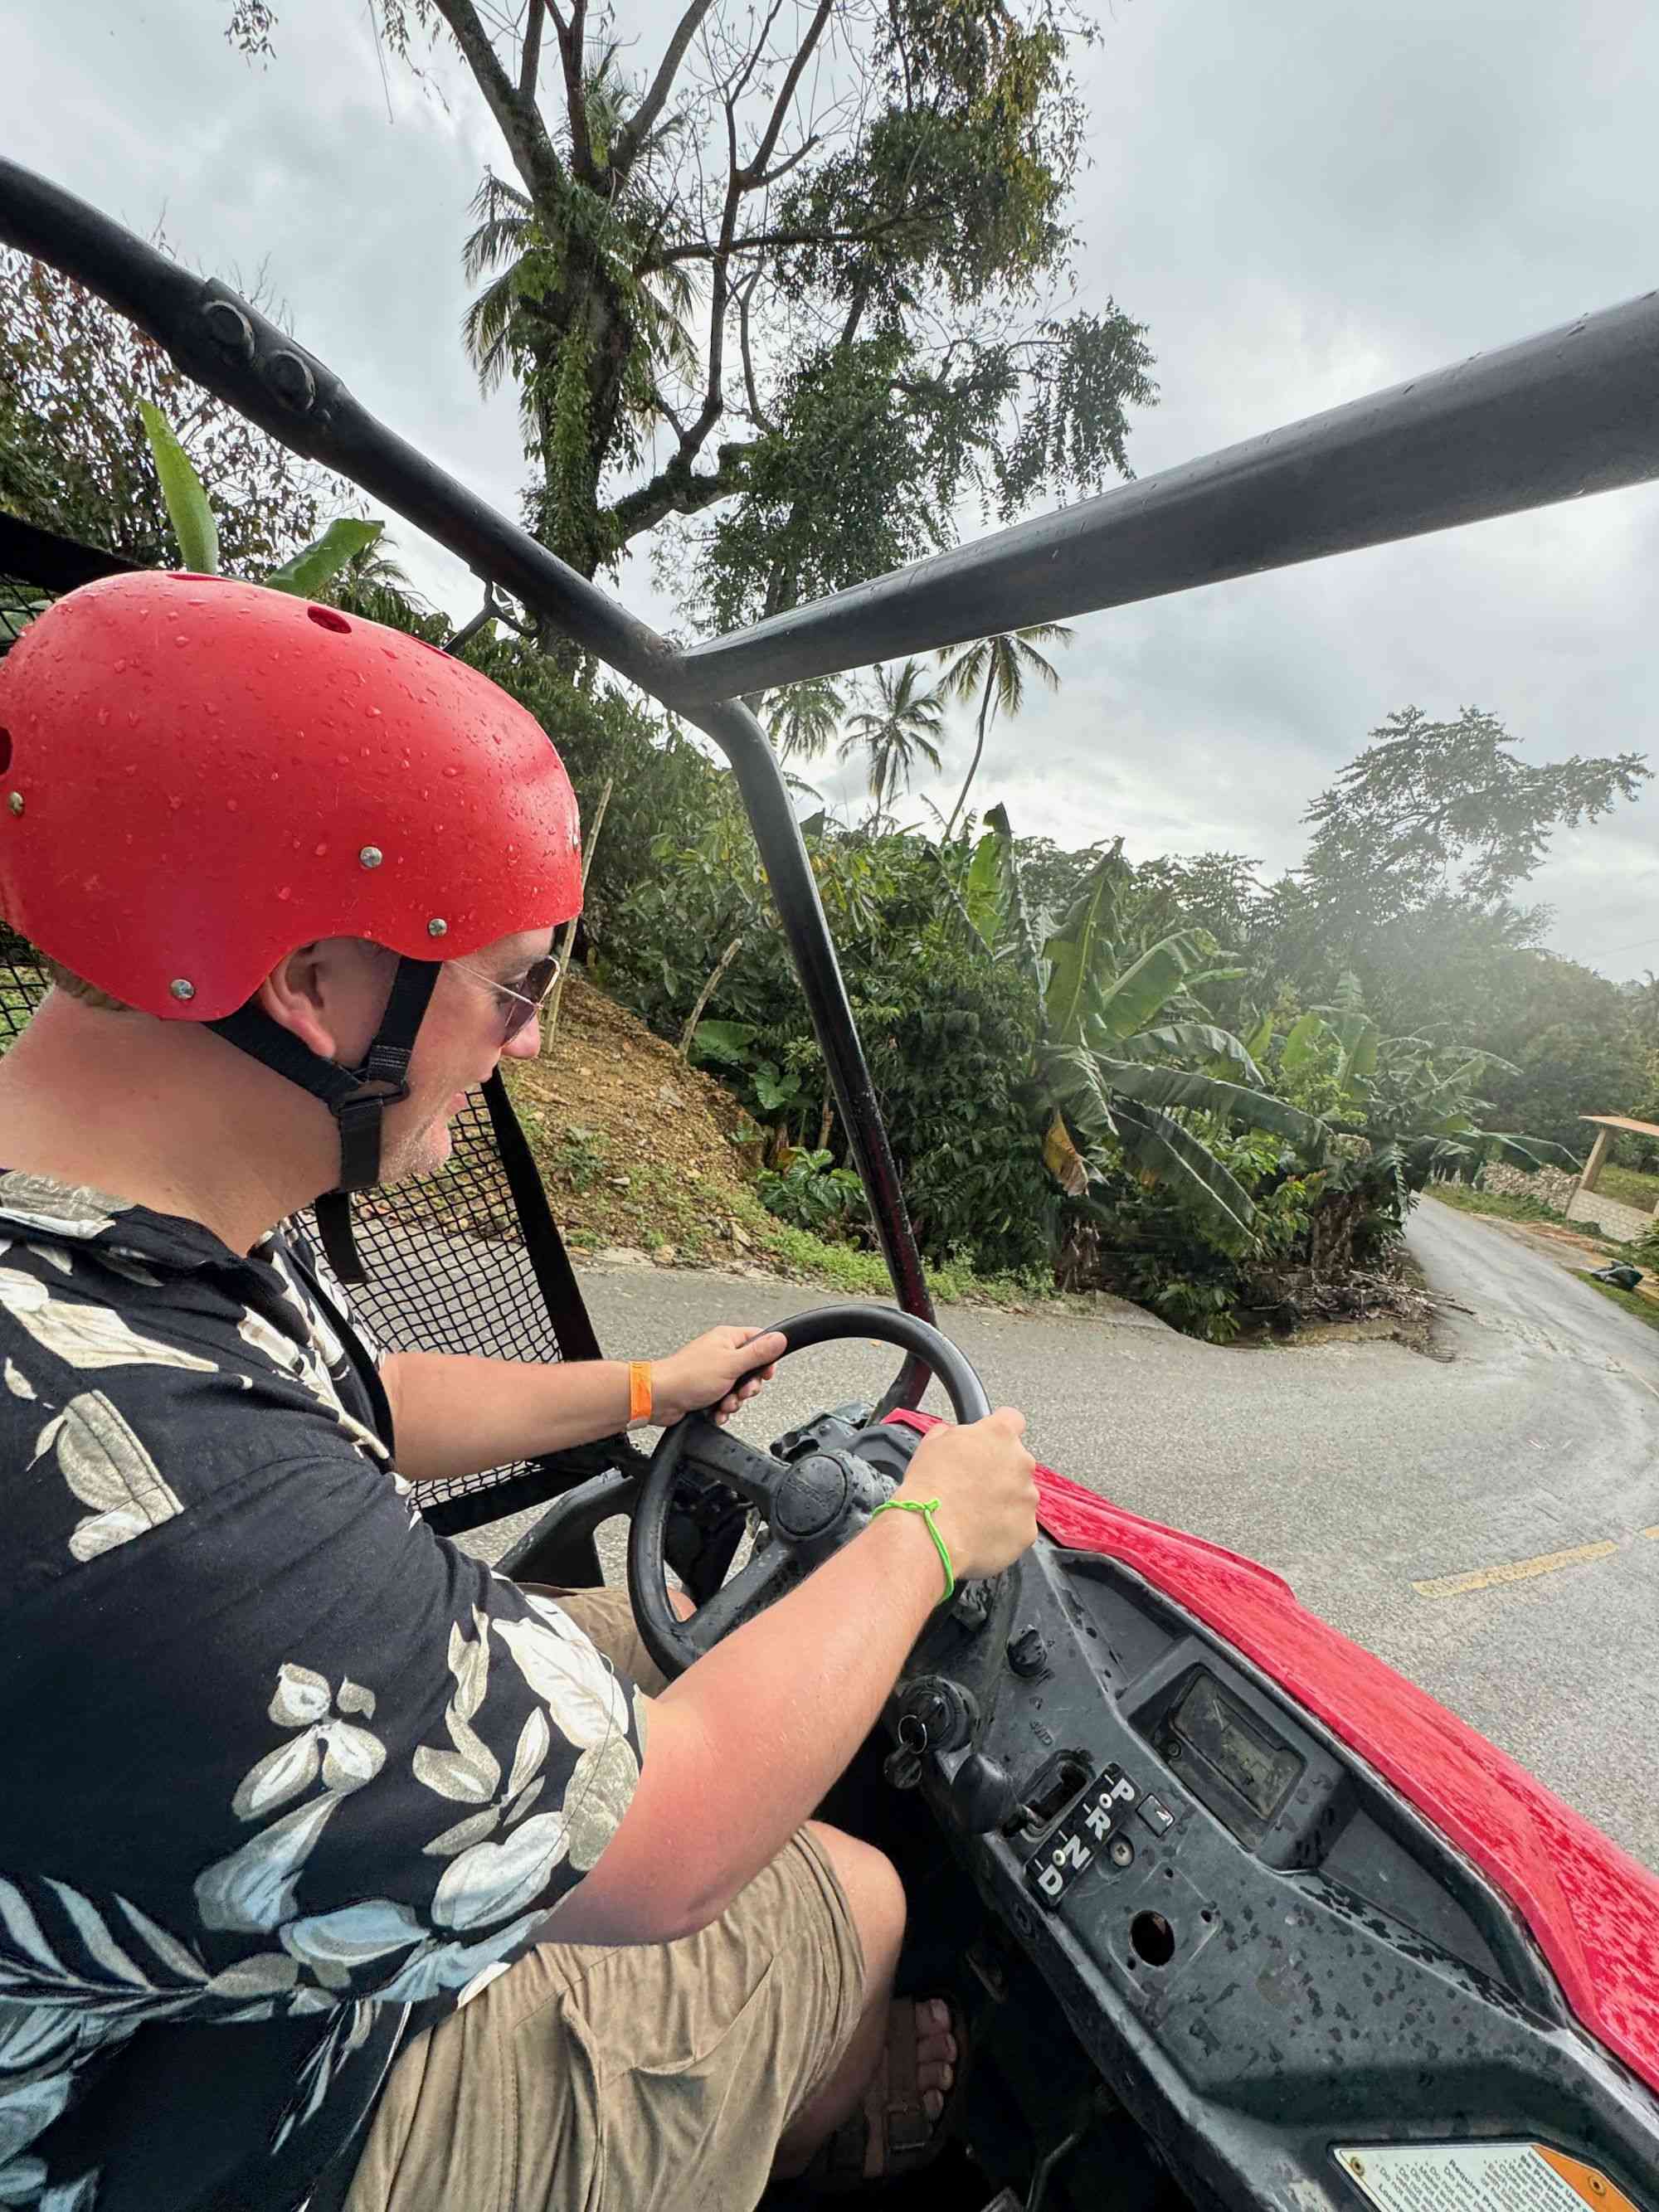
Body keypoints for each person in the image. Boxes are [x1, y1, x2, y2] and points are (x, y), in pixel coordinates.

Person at [0, 573, 1039, 2212]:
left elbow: (354, 1394)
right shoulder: (181, 1518)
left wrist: (644, 1382)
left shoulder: (119, 1240)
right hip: (211, 2129)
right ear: (317, 980)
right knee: (846, 1899)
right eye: (516, 987)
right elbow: (675, 1842)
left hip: (153, 1935)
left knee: (666, 1620)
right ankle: (867, 2138)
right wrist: (925, 1531)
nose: (531, 1044)